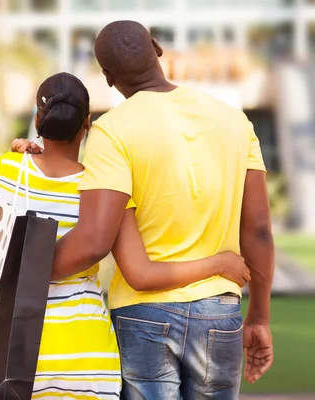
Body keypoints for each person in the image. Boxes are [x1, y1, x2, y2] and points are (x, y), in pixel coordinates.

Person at [15, 21, 274, 399]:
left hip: (143, 317)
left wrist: (20, 270)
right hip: (219, 313)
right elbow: (259, 231)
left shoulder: (111, 131)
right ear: (157, 48)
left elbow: (92, 241)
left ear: (107, 78)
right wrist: (260, 317)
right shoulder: (235, 120)